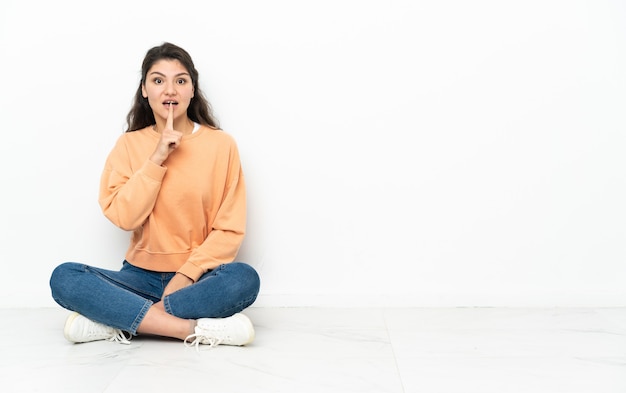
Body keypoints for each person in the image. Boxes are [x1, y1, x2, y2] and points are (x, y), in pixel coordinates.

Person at [49, 42, 260, 349]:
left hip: (198, 278)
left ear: (192, 89)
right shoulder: (129, 145)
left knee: (244, 279)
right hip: (138, 278)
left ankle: (119, 319)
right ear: (145, 90)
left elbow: (229, 228)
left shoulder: (221, 145)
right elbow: (124, 216)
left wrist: (186, 276)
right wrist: (157, 158)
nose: (170, 90)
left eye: (180, 80)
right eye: (158, 80)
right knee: (64, 277)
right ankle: (187, 329)